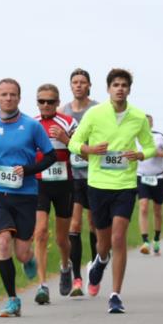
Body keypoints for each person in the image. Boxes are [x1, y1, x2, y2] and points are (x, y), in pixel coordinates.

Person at [67, 68, 156, 314]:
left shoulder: (138, 117)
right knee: (103, 243)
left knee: (119, 238)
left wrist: (139, 154)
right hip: (98, 185)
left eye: (124, 85)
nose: (120, 89)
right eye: (115, 85)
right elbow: (73, 143)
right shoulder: (95, 114)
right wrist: (90, 149)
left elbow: (150, 147)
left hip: (125, 185)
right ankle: (100, 261)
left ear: (129, 89)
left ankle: (115, 295)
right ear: (108, 89)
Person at [0, 78, 57, 317]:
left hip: (26, 194)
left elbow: (50, 156)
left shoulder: (31, 126)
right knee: (3, 241)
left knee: (22, 252)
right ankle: (12, 299)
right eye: (4, 94)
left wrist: (28, 170)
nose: (8, 98)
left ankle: (28, 260)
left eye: (13, 94)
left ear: (19, 98)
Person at [32, 84, 77, 305]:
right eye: (42, 101)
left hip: (63, 184)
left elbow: (80, 150)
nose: (46, 105)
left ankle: (65, 266)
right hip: (40, 184)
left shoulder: (68, 122)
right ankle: (42, 285)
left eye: (51, 101)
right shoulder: (32, 124)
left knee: (61, 238)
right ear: (37, 102)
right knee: (40, 232)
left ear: (58, 103)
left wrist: (65, 138)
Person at [61, 68, 98, 296]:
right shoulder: (63, 111)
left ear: (89, 86)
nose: (78, 85)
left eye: (82, 82)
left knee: (93, 224)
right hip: (72, 175)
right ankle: (76, 278)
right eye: (75, 82)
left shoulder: (98, 110)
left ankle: (95, 265)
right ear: (71, 85)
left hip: (94, 174)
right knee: (74, 226)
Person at [136, 115, 163, 256]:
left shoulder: (159, 137)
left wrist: (159, 153)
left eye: (148, 123)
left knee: (158, 210)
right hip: (141, 177)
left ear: (152, 124)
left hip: (159, 178)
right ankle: (145, 241)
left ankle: (157, 239)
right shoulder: (134, 138)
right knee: (143, 207)